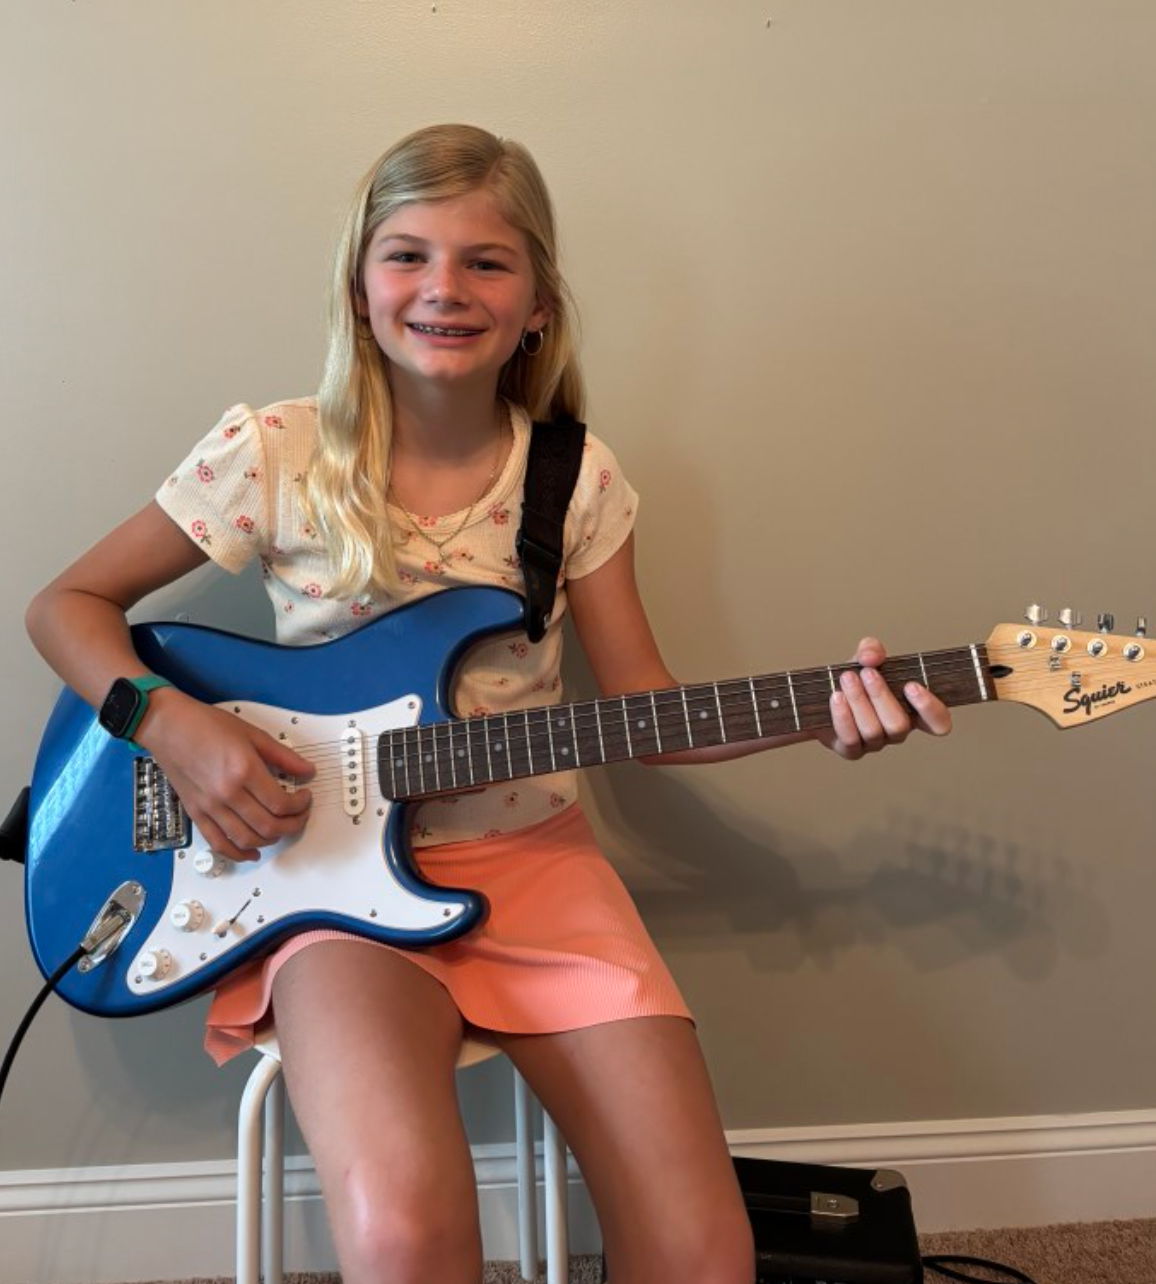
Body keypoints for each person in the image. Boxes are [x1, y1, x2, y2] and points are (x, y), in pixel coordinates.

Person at [25, 123, 952, 1284]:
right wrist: (168, 724)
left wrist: (827, 713)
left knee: (701, 1249)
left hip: (537, 867)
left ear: (539, 306)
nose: (444, 288)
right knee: (403, 1232)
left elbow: (647, 713)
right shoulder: (273, 451)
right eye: (407, 255)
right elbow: (65, 607)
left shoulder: (576, 477)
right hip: (325, 883)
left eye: (487, 262)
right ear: (358, 287)